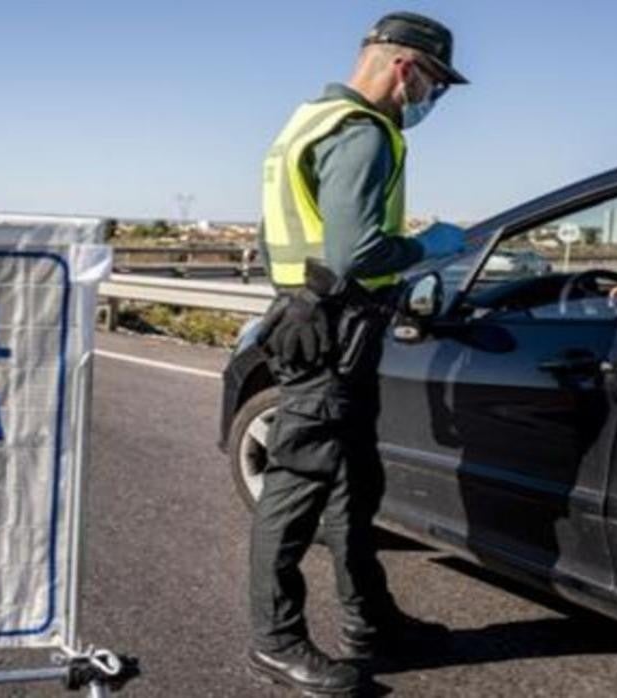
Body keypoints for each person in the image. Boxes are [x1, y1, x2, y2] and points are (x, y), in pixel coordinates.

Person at [248, 12, 470, 695]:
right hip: (333, 331)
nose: (432, 97)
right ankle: (276, 640)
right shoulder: (363, 133)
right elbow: (357, 252)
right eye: (435, 81)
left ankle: (370, 619)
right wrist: (431, 245)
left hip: (310, 316)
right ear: (406, 66)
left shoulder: (307, 119)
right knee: (299, 486)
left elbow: (281, 238)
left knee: (351, 482)